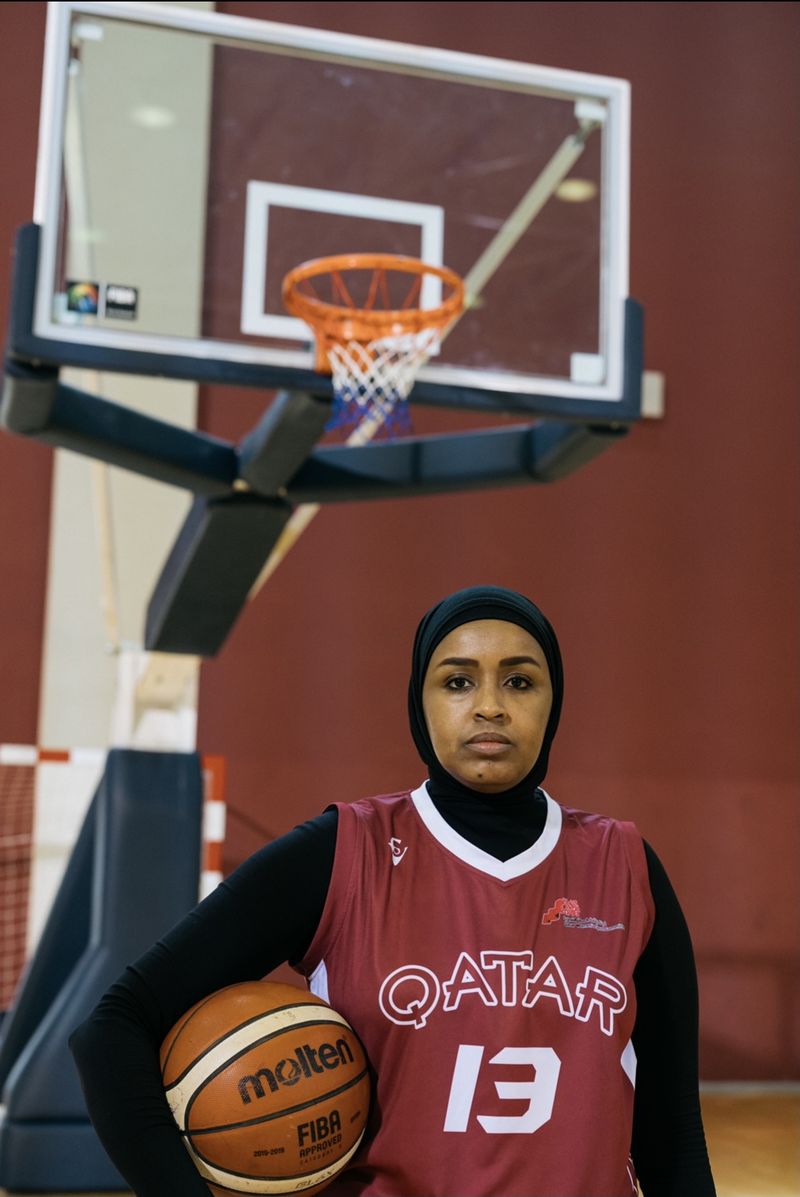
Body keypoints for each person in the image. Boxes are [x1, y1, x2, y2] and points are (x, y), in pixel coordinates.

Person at [70, 585, 717, 1196]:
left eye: (519, 680)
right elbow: (113, 1026)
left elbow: (672, 1132)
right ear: (419, 700)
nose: (490, 705)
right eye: (457, 681)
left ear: (555, 701)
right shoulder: (343, 853)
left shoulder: (623, 865)